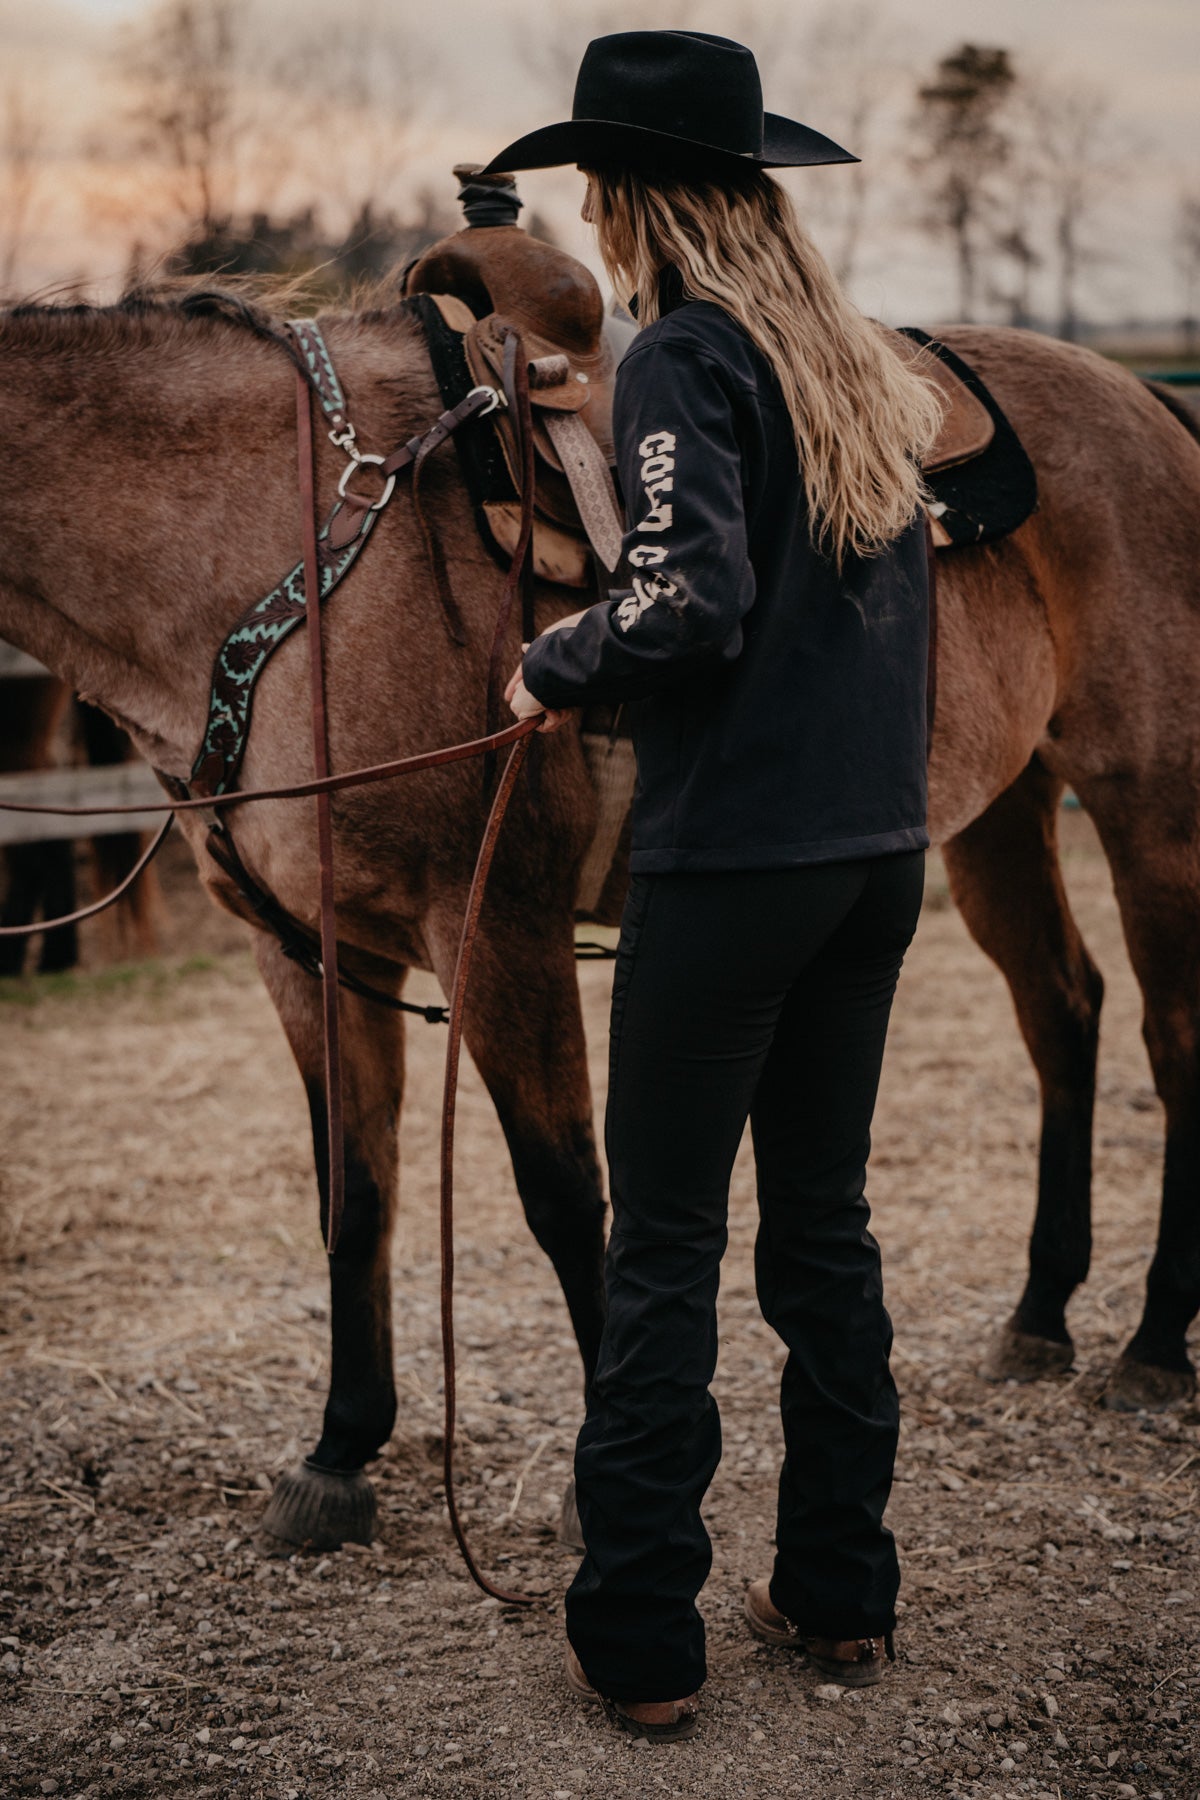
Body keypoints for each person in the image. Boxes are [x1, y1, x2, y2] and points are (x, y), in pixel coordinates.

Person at [483, 29, 943, 1744]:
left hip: (735, 866)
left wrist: (555, 662)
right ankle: (839, 1594)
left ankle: (640, 1634)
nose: (599, 226)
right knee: (821, 1231)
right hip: (872, 863)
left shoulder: (682, 355)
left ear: (633, 196)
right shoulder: (853, 363)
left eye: (603, 192)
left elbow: (688, 602)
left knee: (665, 1247)